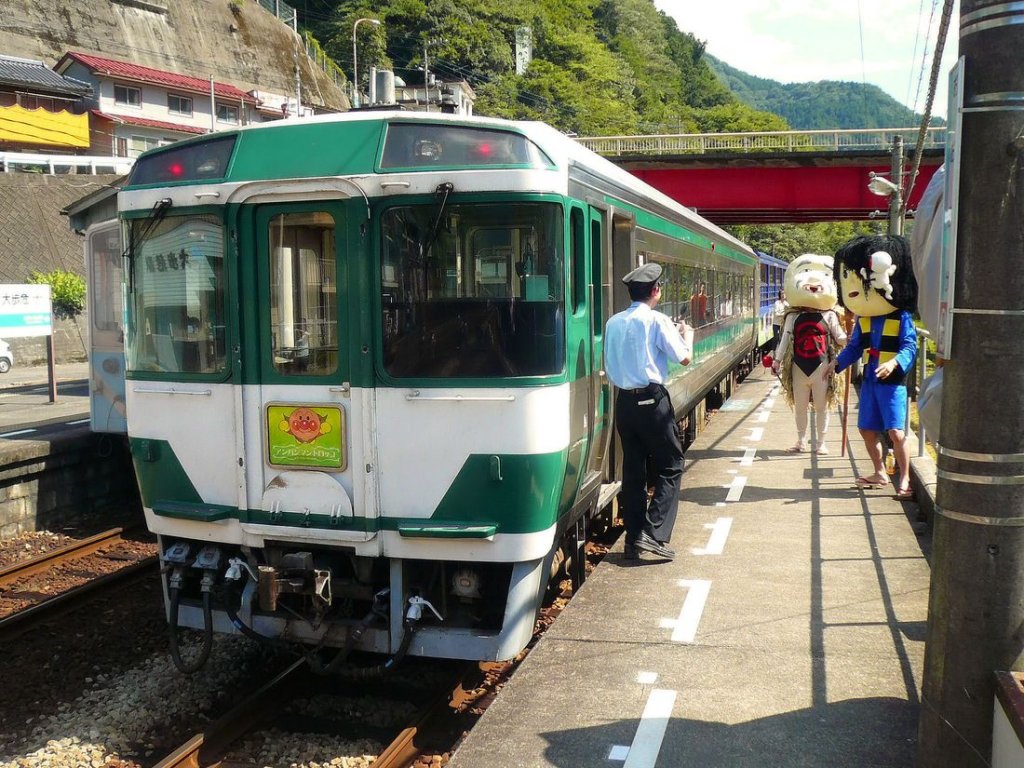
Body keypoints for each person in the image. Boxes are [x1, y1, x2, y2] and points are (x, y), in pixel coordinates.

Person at [605, 262, 694, 561]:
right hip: (652, 402)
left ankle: (633, 539)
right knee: (672, 464)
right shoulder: (657, 321)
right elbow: (684, 358)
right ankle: (652, 533)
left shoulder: (613, 322)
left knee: (633, 471)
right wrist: (687, 336)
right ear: (656, 291)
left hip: (625, 404)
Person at [821, 234, 917, 499]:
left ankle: (906, 478)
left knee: (896, 432)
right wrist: (836, 364)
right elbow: (854, 347)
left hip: (892, 382)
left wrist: (895, 362)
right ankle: (879, 472)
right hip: (870, 379)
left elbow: (910, 346)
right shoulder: (865, 318)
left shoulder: (901, 316)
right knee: (866, 429)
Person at [772, 255, 846, 454]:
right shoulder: (793, 316)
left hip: (822, 367)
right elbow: (785, 339)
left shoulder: (830, 315)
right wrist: (777, 361)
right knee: (801, 406)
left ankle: (821, 442)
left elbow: (840, 338)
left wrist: (854, 336)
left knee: (822, 406)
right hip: (798, 366)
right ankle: (801, 440)